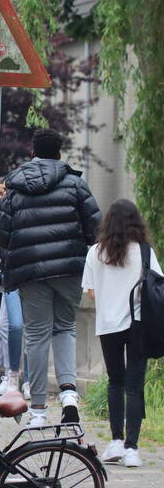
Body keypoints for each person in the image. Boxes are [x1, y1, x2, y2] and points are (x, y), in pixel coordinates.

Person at [0, 128, 101, 427]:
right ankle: (69, 393)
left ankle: (39, 410)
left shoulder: (15, 188)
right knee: (65, 327)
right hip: (69, 268)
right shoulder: (74, 184)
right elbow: (94, 227)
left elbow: (3, 236)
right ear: (59, 154)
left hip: (30, 271)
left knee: (37, 334)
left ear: (33, 152)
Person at [82, 199, 161, 468]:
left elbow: (91, 293)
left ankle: (115, 440)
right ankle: (132, 449)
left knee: (115, 381)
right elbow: (156, 286)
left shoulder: (95, 252)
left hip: (108, 324)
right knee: (134, 386)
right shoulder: (145, 251)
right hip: (138, 323)